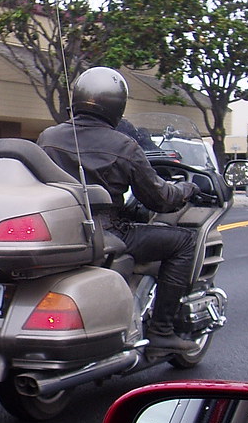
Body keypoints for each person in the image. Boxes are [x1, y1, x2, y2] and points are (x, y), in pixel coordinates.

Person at [37, 67, 200, 353]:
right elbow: (159, 199)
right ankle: (162, 330)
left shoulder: (47, 137)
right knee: (184, 242)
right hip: (106, 232)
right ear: (117, 106)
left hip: (61, 231)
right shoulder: (124, 145)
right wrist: (188, 188)